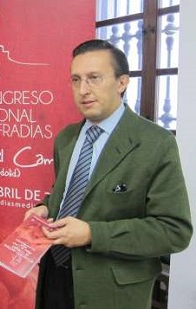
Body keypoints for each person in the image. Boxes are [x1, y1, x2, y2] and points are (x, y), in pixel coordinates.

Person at [25, 39, 192, 309]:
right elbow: (69, 193)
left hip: (111, 291)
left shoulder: (155, 143)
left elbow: (174, 231)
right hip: (54, 276)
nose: (83, 90)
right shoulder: (66, 138)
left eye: (94, 78)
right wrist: (45, 208)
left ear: (122, 83)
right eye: (76, 79)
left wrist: (93, 234)